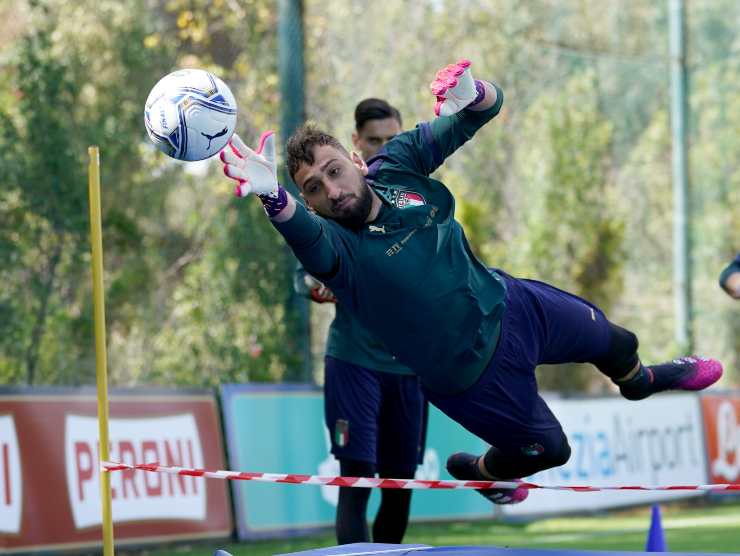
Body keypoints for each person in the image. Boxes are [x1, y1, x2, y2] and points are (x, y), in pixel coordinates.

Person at [220, 59, 723, 506]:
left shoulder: (395, 165)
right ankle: (484, 471)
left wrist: (474, 94)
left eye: (334, 171)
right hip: (472, 377)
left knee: (620, 342)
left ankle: (642, 383)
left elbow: (483, 110)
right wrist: (273, 198)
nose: (332, 189)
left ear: (355, 162)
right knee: (551, 450)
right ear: (310, 202)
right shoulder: (337, 248)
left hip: (512, 306)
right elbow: (303, 236)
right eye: (314, 189)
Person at [294, 98, 428, 544]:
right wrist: (317, 283)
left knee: (399, 489)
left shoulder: (415, 198)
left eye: (393, 140)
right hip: (355, 364)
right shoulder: (331, 203)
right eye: (375, 141)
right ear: (357, 144)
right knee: (356, 482)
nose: (384, 148)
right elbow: (308, 274)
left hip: (411, 368)